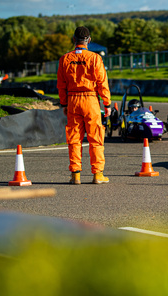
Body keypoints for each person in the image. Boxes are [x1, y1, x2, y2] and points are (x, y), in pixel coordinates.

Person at [57, 26, 111, 184]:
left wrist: (64, 103)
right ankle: (98, 175)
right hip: (91, 100)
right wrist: (107, 103)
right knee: (96, 138)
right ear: (89, 40)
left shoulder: (65, 59)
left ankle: (76, 175)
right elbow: (102, 82)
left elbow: (61, 85)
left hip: (73, 100)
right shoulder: (95, 58)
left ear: (74, 40)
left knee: (74, 139)